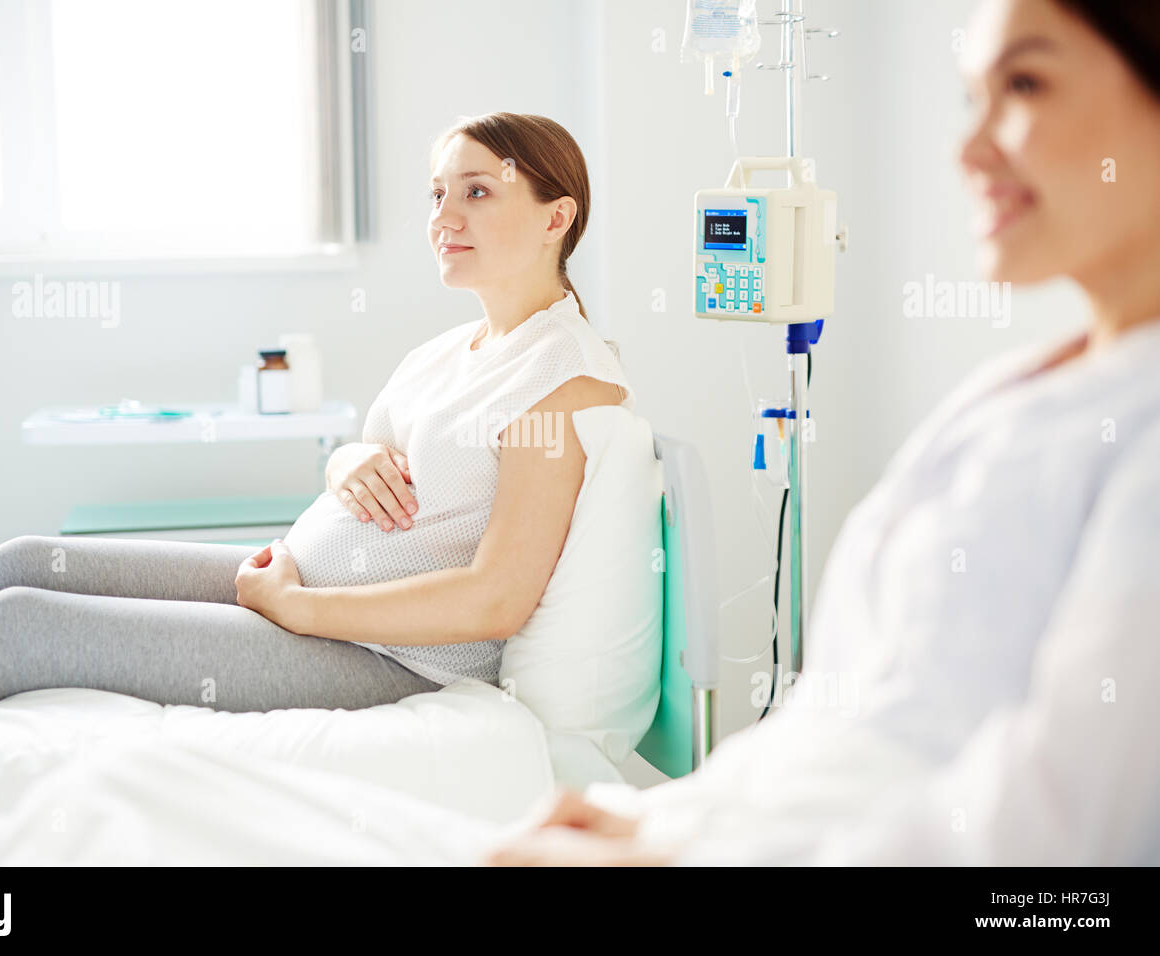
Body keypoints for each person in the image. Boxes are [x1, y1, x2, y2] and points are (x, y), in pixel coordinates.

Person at [484, 0, 1160, 865]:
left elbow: (1061, 854)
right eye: (970, 97)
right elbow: (847, 718)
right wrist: (674, 820)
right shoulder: (1027, 388)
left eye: (1025, 84)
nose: (967, 149)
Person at [0, 113, 633, 720]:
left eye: (477, 191)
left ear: (555, 216)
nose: (443, 215)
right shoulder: (452, 349)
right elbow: (371, 451)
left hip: (386, 655)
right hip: (302, 591)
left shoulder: (565, 379)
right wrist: (343, 463)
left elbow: (496, 598)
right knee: (24, 563)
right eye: (437, 193)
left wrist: (300, 608)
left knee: (22, 625)